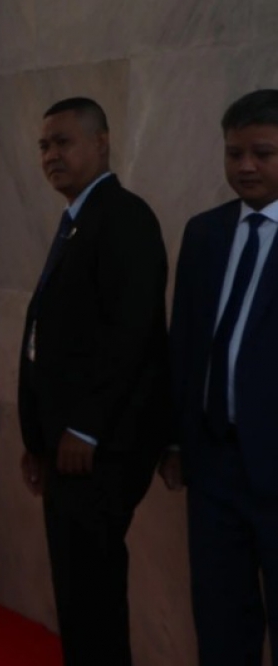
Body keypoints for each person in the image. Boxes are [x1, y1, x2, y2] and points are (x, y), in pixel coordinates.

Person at [17, 97, 169, 666]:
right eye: (44, 145)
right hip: (65, 449)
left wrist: (85, 428)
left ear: (101, 143)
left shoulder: (123, 217)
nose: (51, 155)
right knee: (77, 592)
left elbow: (131, 337)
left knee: (94, 591)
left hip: (98, 451)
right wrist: (37, 439)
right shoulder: (80, 219)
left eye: (64, 142)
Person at [164, 89, 278, 665]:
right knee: (220, 621)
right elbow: (183, 342)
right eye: (234, 153)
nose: (246, 166)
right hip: (214, 466)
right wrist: (177, 438)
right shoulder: (205, 232)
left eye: (262, 152)